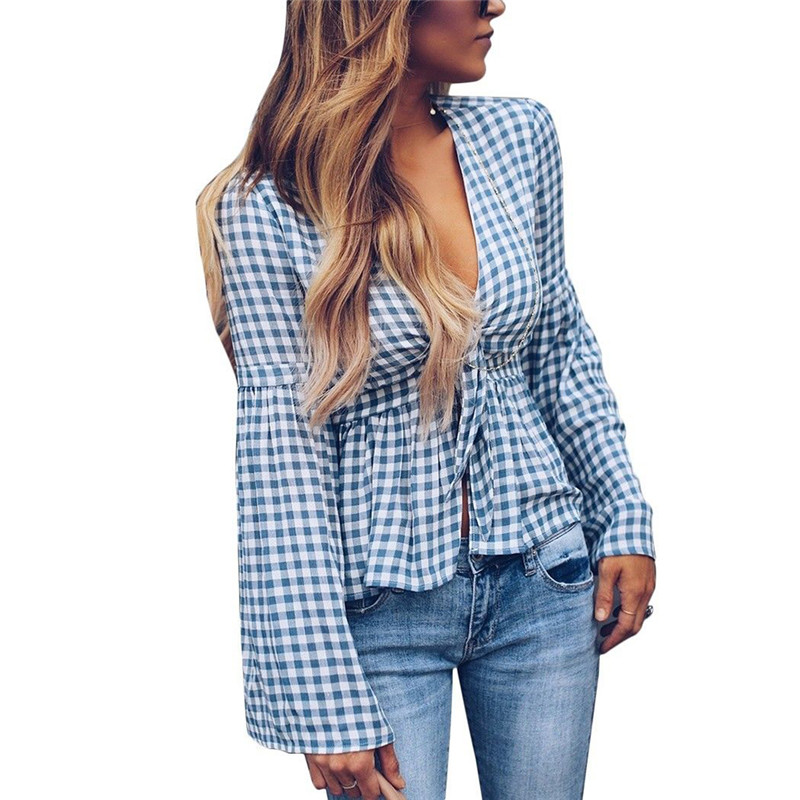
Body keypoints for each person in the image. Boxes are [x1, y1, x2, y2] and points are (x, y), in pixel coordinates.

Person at [195, 1, 657, 798]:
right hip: (379, 611)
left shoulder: (518, 137)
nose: (495, 4)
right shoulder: (265, 206)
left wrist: (625, 515)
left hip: (546, 578)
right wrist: (320, 698)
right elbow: (280, 455)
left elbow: (559, 348)